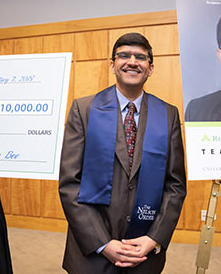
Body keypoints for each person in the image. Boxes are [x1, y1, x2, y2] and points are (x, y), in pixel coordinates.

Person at [59, 32, 187, 274]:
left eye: (141, 57)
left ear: (150, 68)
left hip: (143, 250)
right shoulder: (84, 110)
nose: (132, 61)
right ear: (112, 64)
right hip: (92, 250)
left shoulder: (168, 115)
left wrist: (154, 238)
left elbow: (175, 185)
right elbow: (69, 184)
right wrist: (102, 243)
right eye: (124, 55)